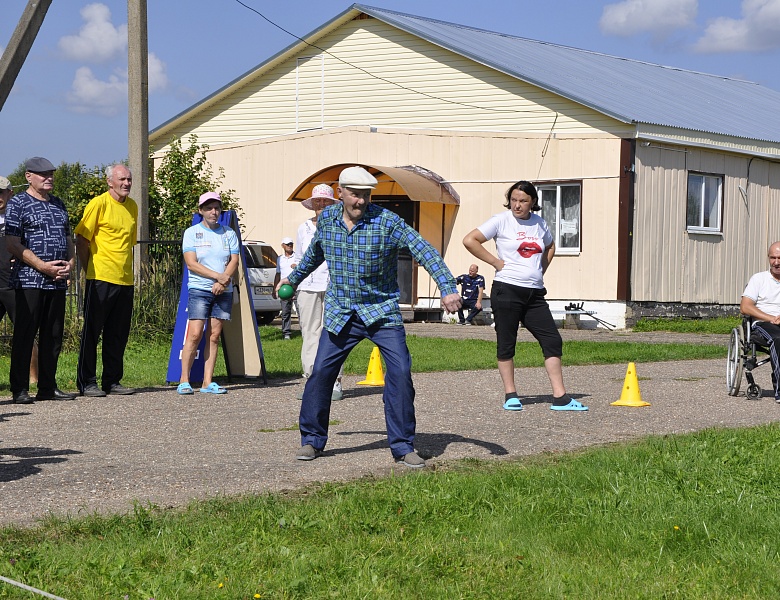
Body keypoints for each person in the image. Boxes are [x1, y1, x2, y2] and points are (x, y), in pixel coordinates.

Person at [278, 166, 462, 468]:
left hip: (381, 311)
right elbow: (315, 254)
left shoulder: (388, 222)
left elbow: (425, 251)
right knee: (321, 373)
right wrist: (293, 279)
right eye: (355, 194)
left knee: (400, 371)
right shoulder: (327, 221)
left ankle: (403, 446)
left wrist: (447, 287)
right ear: (341, 193)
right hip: (341, 313)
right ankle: (312, 440)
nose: (361, 201)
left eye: (365, 195)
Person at [463, 180, 587, 412]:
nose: (517, 205)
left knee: (552, 340)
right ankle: (511, 395)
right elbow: (470, 240)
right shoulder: (501, 220)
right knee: (507, 343)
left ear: (533, 203)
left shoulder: (540, 223)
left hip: (534, 294)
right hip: (506, 290)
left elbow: (550, 247)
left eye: (523, 201)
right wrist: (495, 262)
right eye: (514, 200)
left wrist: (541, 270)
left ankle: (560, 398)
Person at [5, 157, 76, 404]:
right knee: (25, 334)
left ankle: (48, 386)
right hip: (29, 279)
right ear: (28, 176)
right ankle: (20, 388)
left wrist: (71, 263)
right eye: (43, 174)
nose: (49, 178)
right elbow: (13, 243)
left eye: (51, 174)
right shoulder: (18, 204)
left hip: (56, 281)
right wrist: (43, 266)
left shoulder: (58, 204)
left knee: (53, 334)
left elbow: (67, 238)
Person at [74, 164, 138, 397]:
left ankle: (112, 380)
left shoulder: (132, 206)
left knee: (117, 333)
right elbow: (81, 238)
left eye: (129, 179)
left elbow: (129, 243)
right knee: (92, 331)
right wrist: (87, 267)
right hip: (100, 276)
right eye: (122, 179)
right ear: (110, 181)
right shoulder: (98, 204)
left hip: (125, 279)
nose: (127, 183)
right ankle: (86, 381)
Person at [178, 192, 239, 395]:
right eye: (209, 208)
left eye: (217, 208)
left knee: (214, 336)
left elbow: (234, 261)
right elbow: (191, 263)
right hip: (199, 289)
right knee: (195, 334)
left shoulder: (229, 233)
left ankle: (207, 382)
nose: (214, 212)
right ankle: (184, 380)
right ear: (201, 211)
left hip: (223, 290)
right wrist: (217, 277)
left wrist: (223, 281)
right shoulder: (191, 232)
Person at [294, 183, 343, 401]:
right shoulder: (303, 228)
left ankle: (335, 382)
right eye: (318, 202)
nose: (321, 205)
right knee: (309, 333)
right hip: (308, 286)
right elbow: (297, 259)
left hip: (334, 286)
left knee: (333, 333)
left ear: (333, 203)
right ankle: (312, 382)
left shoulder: (341, 225)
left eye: (325, 201)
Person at [0, 175, 38, 385]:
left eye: (1, 192)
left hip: (15, 284)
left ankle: (33, 378)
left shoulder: (19, 218)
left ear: (10, 193)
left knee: (25, 332)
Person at [740, 241, 780, 403]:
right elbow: (745, 307)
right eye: (773, 258)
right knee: (778, 339)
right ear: (768, 258)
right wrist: (770, 318)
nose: (776, 262)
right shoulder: (759, 279)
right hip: (763, 324)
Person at [272, 237, 296, 340]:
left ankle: (305, 332)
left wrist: (297, 266)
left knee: (301, 310)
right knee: (285, 311)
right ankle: (286, 333)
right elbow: (278, 274)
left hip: (296, 286)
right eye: (287, 244)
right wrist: (275, 288)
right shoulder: (280, 259)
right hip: (284, 288)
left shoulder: (297, 257)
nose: (290, 246)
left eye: (291, 244)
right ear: (283, 246)